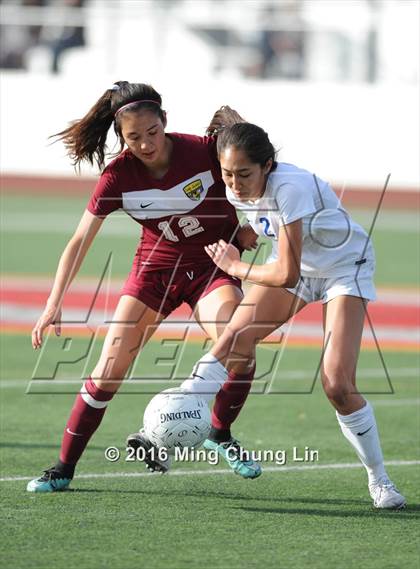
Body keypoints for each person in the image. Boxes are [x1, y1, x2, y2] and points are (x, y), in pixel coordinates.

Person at [27, 84, 258, 492]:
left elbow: (257, 184)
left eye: (152, 132)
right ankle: (63, 468)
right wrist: (53, 303)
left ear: (164, 122)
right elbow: (80, 240)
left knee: (241, 350)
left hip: (211, 269)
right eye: (134, 137)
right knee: (108, 370)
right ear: (121, 136)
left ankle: (220, 433)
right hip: (153, 273)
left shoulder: (203, 151)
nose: (146, 144)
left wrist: (248, 228)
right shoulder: (117, 176)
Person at [175, 108, 406, 509]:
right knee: (235, 337)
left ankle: (379, 480)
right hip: (300, 267)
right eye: (228, 174)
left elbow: (285, 272)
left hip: (342, 268)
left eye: (244, 174)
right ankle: (180, 405)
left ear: (268, 165)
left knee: (337, 385)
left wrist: (234, 266)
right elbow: (264, 223)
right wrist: (246, 233)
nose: (234, 183)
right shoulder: (237, 186)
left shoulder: (292, 187)